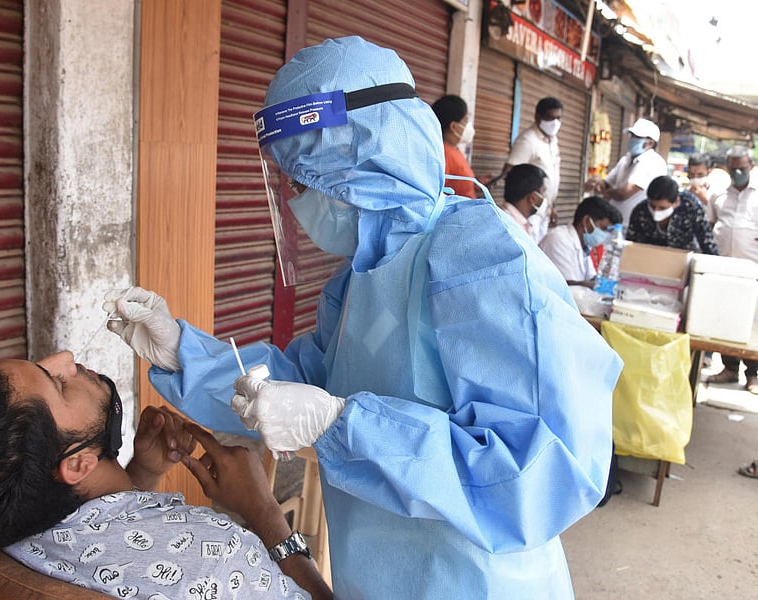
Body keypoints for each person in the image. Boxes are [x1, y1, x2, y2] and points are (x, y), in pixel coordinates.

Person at [104, 37, 622, 598]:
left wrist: (344, 426)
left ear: (362, 160)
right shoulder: (360, 275)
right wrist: (184, 350)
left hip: (475, 580)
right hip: (373, 574)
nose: (297, 198)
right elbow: (305, 379)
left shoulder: (484, 261)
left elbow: (536, 474)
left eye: (304, 177)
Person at [0, 348, 332, 599]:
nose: (66, 358)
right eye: (57, 383)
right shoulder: (216, 555)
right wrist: (262, 510)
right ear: (77, 464)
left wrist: (141, 475)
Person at [705, 146, 758, 394]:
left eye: (742, 168)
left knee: (752, 326)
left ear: (751, 165)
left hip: (753, 271)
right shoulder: (719, 195)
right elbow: (709, 225)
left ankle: (753, 374)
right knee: (725, 321)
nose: (738, 172)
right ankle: (729, 368)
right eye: (733, 168)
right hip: (723, 271)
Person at [500, 96, 563, 242]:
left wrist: (551, 206)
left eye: (558, 118)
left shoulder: (553, 141)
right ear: (538, 117)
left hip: (543, 211)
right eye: (550, 118)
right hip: (527, 212)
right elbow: (511, 173)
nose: (555, 123)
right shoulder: (528, 140)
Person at [587, 118, 667, 227]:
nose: (632, 139)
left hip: (635, 225)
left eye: (637, 137)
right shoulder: (625, 160)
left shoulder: (652, 162)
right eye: (632, 136)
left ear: (650, 143)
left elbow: (624, 193)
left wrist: (606, 192)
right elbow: (606, 183)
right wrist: (597, 181)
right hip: (614, 223)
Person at [539, 195, 622, 287]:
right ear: (586, 221)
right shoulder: (558, 240)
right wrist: (598, 285)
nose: (606, 234)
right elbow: (567, 285)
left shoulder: (585, 245)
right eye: (603, 228)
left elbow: (591, 277)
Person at [625, 175, 718, 254]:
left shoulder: (691, 206)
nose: (656, 211)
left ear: (676, 202)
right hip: (649, 258)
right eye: (652, 206)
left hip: (682, 258)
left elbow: (707, 242)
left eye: (662, 208)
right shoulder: (640, 211)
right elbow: (631, 245)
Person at [430, 94, 477, 198]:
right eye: (465, 120)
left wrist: (476, 183)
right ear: (454, 127)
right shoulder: (443, 154)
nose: (468, 125)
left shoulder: (454, 149)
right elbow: (436, 192)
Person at [500, 163, 548, 238]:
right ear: (533, 198)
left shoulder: (521, 222)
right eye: (543, 192)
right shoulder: (511, 229)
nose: (545, 197)